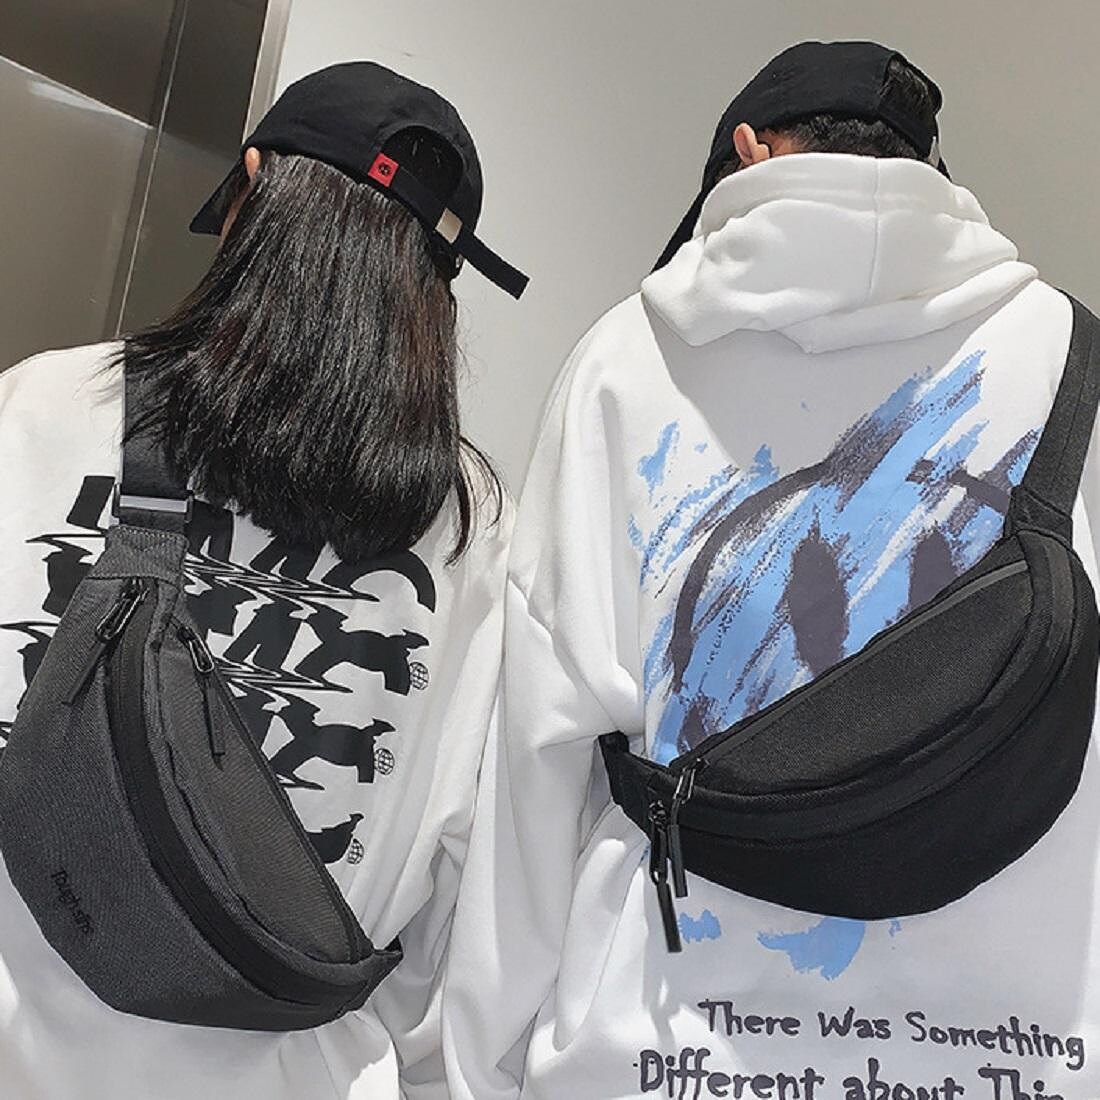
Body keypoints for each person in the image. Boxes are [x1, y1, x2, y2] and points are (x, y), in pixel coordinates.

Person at [444, 41, 1100, 1100]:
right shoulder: (1074, 360)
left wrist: (476, 1064)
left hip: (656, 1053)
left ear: (749, 151)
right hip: (1015, 1057)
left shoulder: (623, 360)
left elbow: (537, 749)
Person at [0, 61, 524, 1100]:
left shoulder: (46, 404)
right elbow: (467, 879)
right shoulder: (474, 531)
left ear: (247, 189)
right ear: (437, 288)